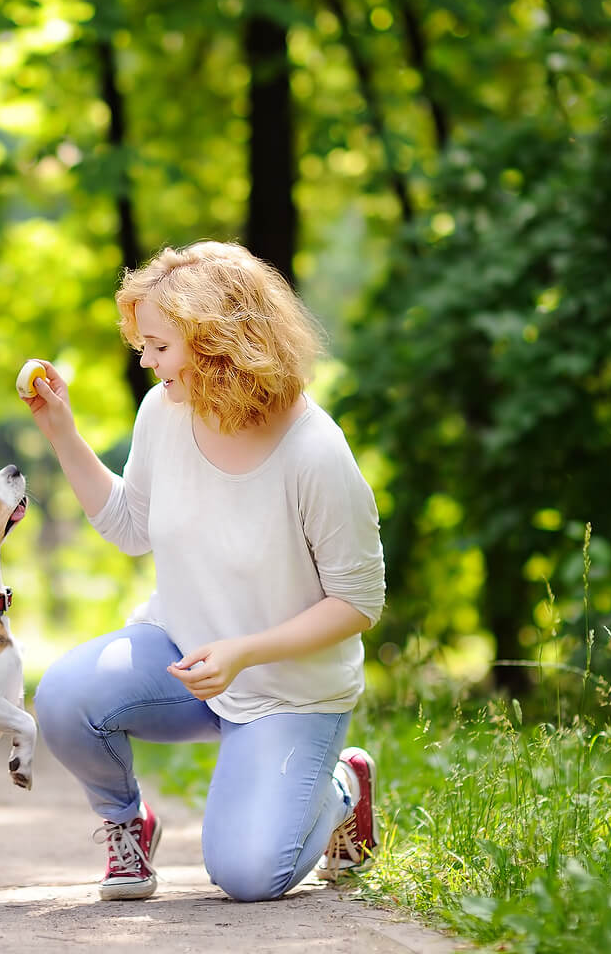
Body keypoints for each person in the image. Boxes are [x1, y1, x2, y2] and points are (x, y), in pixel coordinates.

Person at [21, 240, 386, 903]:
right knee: (65, 698)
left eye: (158, 345)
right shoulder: (165, 411)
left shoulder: (316, 452)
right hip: (183, 654)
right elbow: (131, 526)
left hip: (287, 687)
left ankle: (341, 787)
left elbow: (359, 602)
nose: (144, 359)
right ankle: (126, 822)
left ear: (217, 342)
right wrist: (62, 434)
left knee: (248, 875)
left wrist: (246, 652)